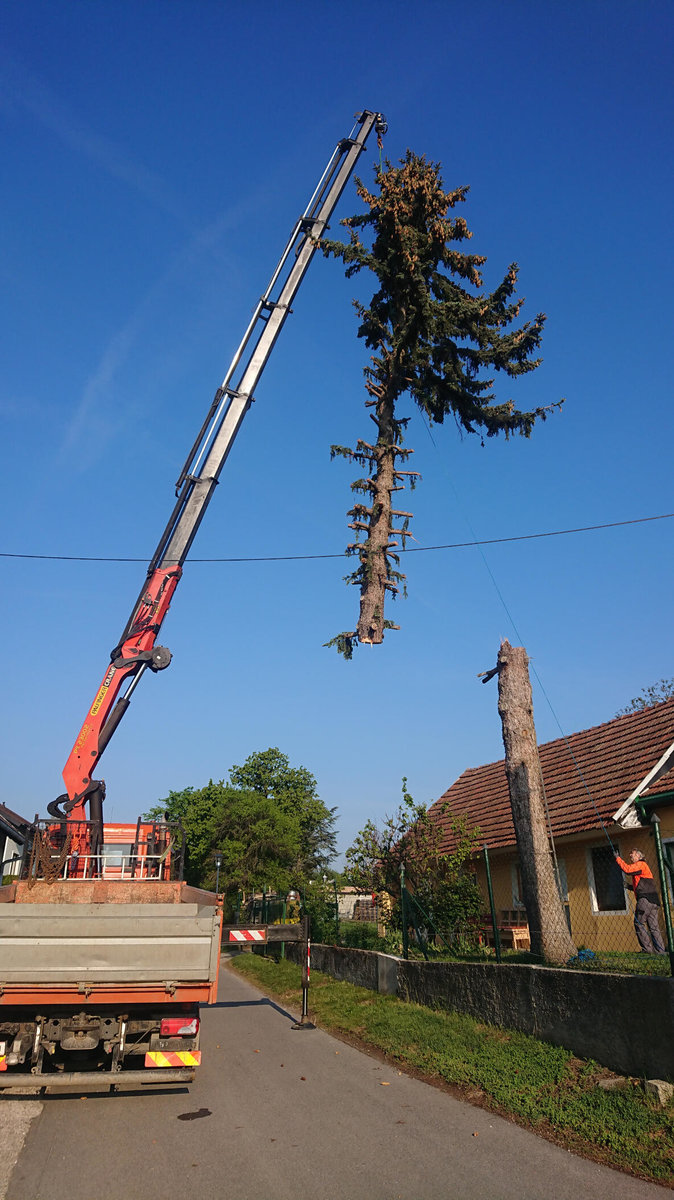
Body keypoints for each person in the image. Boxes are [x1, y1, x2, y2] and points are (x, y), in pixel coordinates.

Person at [615, 848, 666, 954]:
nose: (630, 856)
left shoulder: (641, 864)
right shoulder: (644, 867)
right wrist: (629, 886)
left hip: (645, 900)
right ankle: (660, 951)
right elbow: (641, 885)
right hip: (653, 901)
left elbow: (627, 870)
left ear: (639, 856)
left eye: (632, 854)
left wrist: (618, 858)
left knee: (639, 923)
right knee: (654, 926)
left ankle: (647, 949)